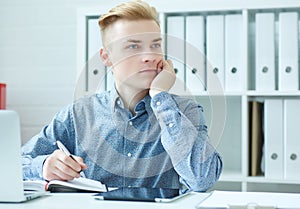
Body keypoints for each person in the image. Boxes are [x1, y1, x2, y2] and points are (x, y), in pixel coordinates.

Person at [22, 0, 222, 192]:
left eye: (155, 45)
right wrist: (44, 166)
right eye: (133, 46)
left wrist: (161, 97)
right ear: (106, 57)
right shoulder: (77, 115)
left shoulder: (183, 112)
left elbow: (202, 178)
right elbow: (14, 164)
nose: (150, 56)